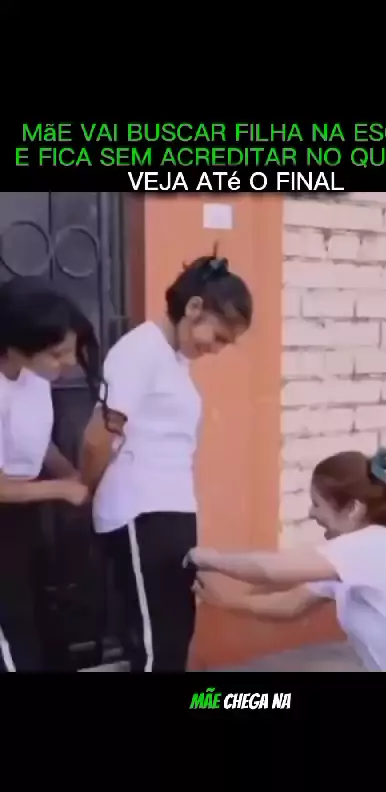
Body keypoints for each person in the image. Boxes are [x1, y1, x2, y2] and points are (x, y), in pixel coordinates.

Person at [80, 251, 253, 672]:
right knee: (156, 646)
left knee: (174, 637)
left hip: (170, 513)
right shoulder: (140, 351)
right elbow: (96, 438)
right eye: (219, 337)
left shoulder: (173, 359)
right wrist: (87, 490)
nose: (217, 349)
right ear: (194, 308)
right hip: (140, 512)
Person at [187, 447, 386, 673]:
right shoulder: (354, 557)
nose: (311, 513)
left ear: (353, 509)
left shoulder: (376, 545)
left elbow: (272, 571)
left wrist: (211, 559)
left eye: (317, 504)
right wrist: (226, 601)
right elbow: (292, 604)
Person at [0, 276, 104, 672]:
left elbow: (36, 444)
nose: (69, 362)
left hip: (26, 518)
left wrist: (73, 474)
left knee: (42, 618)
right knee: (12, 631)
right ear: (15, 346)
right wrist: (62, 489)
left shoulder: (33, 378)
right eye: (57, 354)